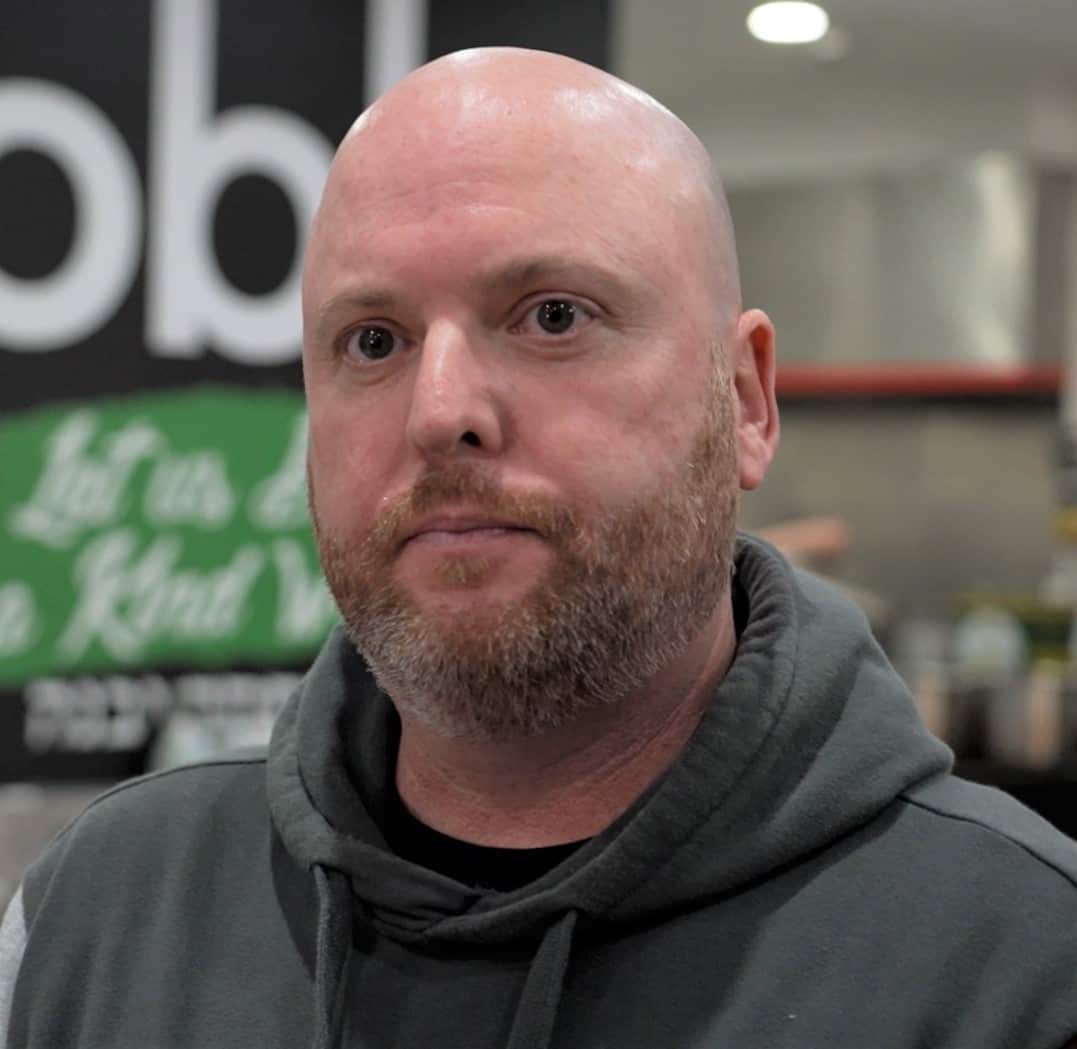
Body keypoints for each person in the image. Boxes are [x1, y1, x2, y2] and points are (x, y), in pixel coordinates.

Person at [2, 46, 1077, 1049]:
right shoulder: (99, 918)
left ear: (745, 399)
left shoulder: (1017, 963)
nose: (441, 411)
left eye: (552, 316)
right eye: (372, 340)